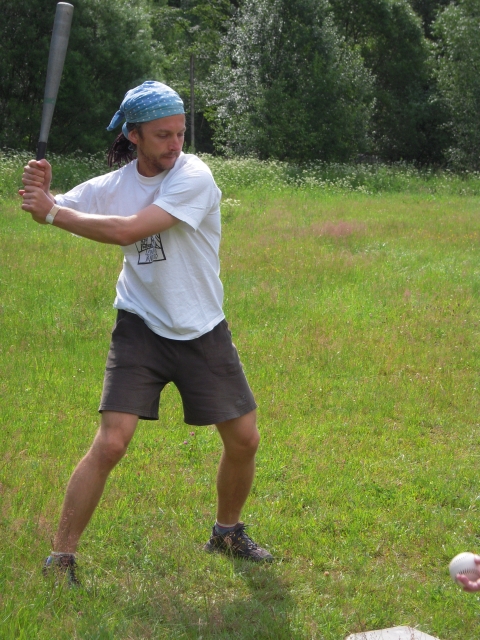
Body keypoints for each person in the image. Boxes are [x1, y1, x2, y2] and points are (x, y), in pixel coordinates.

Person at [20, 80, 273, 585]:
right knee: (112, 442)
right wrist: (40, 192)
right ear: (133, 135)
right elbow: (52, 206)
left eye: (180, 133)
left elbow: (126, 230)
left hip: (201, 327)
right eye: (162, 135)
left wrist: (52, 212)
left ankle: (226, 532)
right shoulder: (113, 185)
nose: (175, 144)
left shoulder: (193, 175)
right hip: (140, 325)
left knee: (244, 439)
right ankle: (60, 559)